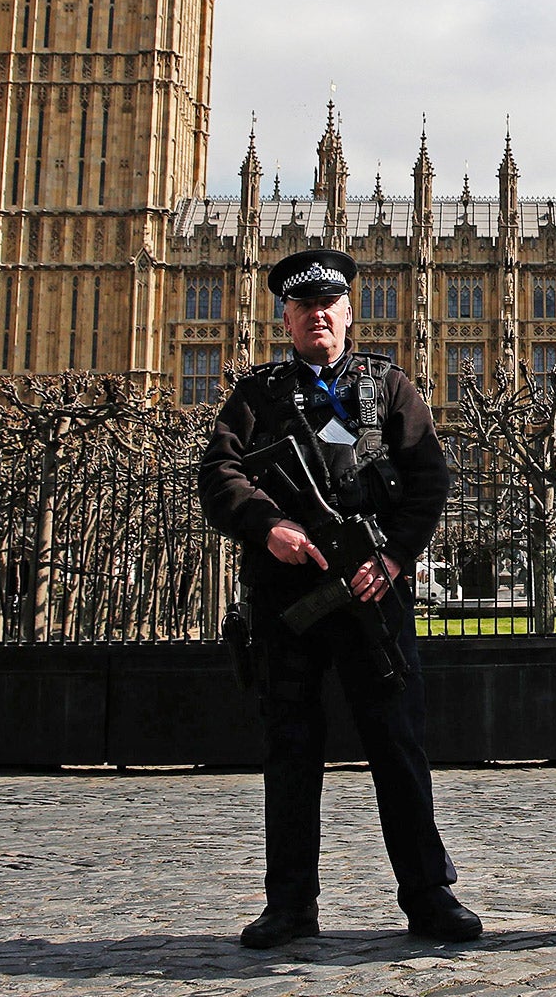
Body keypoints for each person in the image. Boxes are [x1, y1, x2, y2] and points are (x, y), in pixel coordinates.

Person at [199, 248, 481, 949]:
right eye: (303, 308)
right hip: (289, 600)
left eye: (329, 306)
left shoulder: (389, 388)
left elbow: (430, 480)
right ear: (286, 319)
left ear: (349, 315)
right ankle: (290, 903)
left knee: (397, 746)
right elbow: (219, 474)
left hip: (370, 594)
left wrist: (392, 556)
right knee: (291, 752)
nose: (317, 317)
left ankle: (428, 894)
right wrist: (270, 528)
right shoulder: (256, 396)